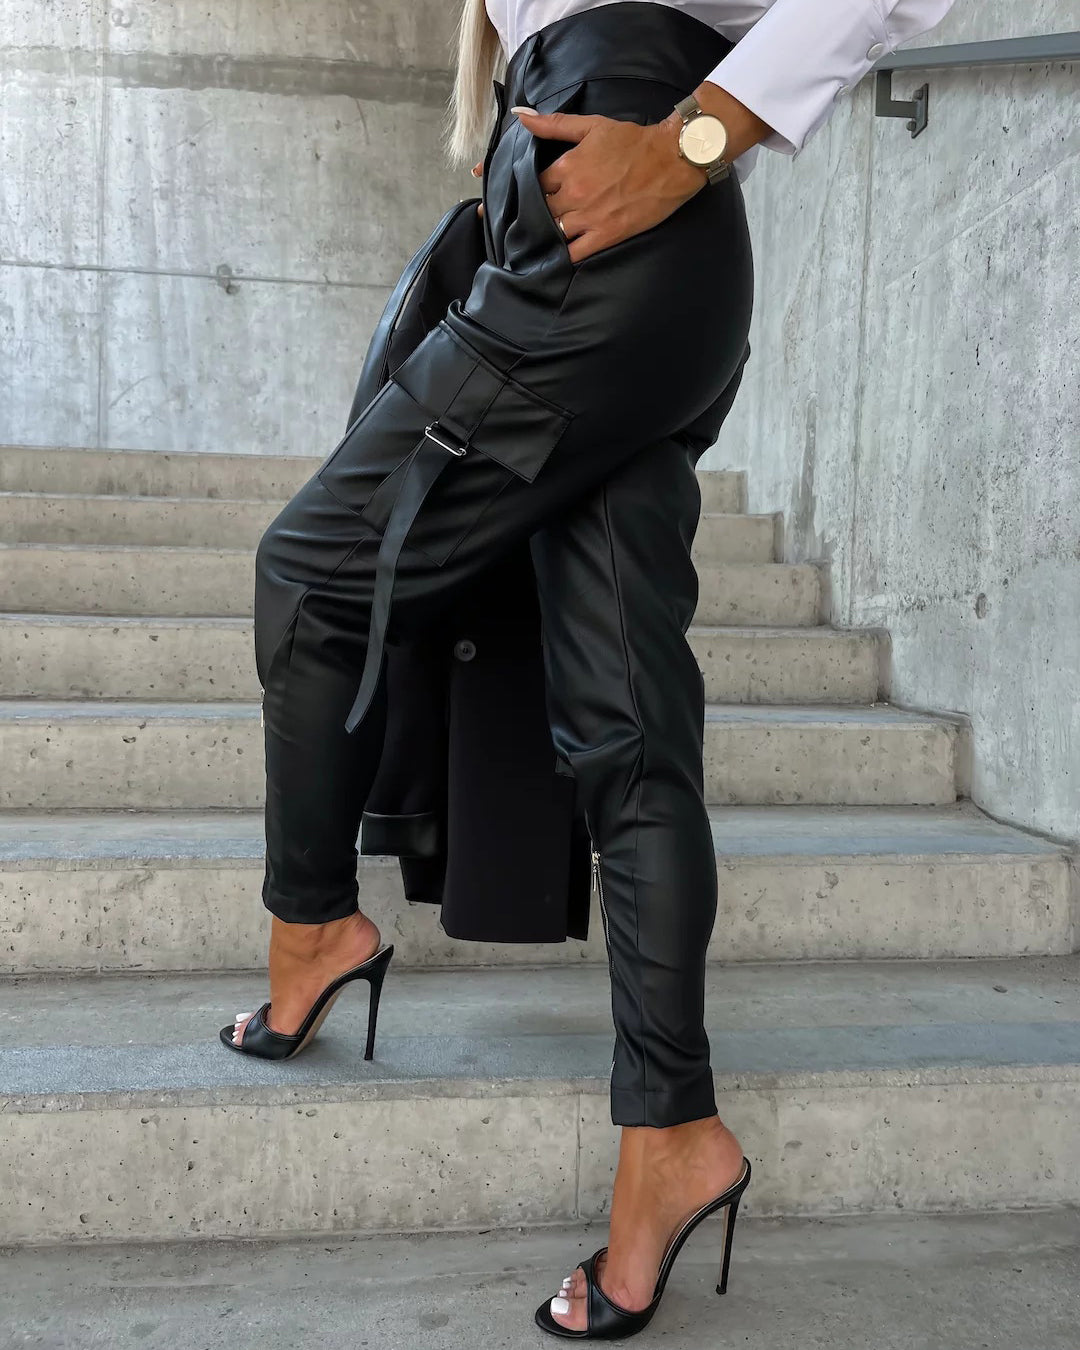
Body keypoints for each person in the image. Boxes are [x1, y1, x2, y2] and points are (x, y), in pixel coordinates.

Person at [220, 0, 955, 1338]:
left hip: (619, 213)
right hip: (620, 238)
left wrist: (691, 141)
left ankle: (314, 925)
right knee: (625, 721)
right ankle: (671, 1132)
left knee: (313, 574)